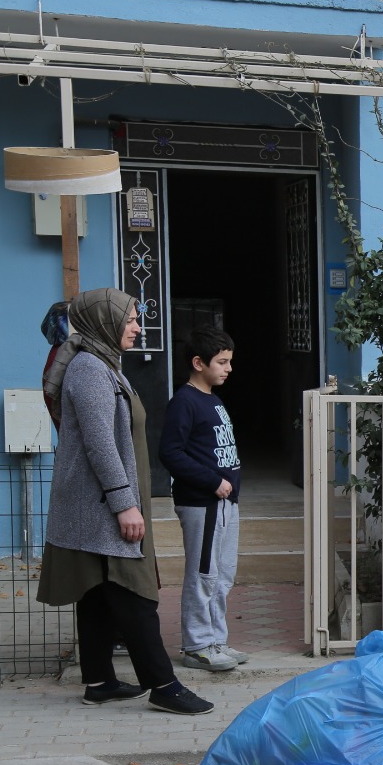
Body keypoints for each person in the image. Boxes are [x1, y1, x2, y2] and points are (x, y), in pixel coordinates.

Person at [36, 289, 214, 715]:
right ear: (104, 322)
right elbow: (100, 444)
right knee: (134, 593)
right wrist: (123, 504)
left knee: (97, 592)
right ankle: (164, 686)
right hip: (101, 505)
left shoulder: (102, 365)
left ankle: (99, 682)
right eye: (131, 319)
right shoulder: (91, 370)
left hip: (97, 503)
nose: (138, 327)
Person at [159, 326, 245, 672]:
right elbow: (170, 453)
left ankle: (216, 640)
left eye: (229, 361)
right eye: (221, 362)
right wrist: (213, 482)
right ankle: (197, 645)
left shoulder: (214, 400)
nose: (228, 368)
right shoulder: (184, 402)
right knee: (203, 574)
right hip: (202, 504)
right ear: (198, 362)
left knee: (222, 574)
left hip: (225, 504)